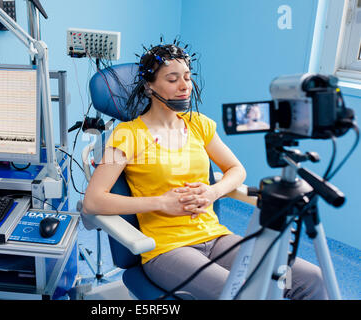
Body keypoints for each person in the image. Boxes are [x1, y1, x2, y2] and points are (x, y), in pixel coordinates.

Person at [83, 43, 328, 300]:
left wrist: (213, 191)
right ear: (149, 86)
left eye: (188, 77)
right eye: (172, 78)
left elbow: (236, 169)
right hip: (167, 249)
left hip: (216, 238)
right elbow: (93, 201)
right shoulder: (126, 134)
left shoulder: (199, 125)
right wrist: (162, 202)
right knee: (242, 293)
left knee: (311, 279)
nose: (184, 85)